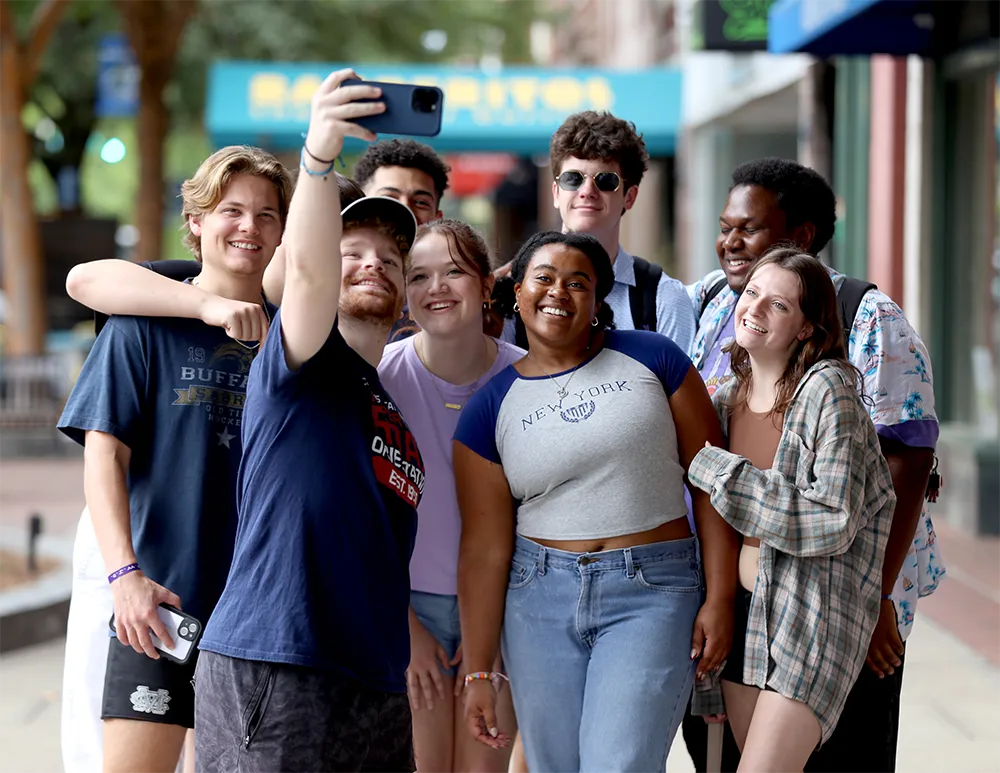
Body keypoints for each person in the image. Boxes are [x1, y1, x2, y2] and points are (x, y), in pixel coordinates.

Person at [192, 70, 425, 772]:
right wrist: (319, 159)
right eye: (352, 252)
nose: (373, 264)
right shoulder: (302, 354)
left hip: (374, 680)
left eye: (390, 258)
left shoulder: (389, 405)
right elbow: (310, 280)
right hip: (278, 659)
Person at [685, 158, 942, 773]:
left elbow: (906, 461)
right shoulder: (711, 303)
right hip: (745, 605)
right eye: (725, 227)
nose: (730, 242)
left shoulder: (866, 318)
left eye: (748, 228)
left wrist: (876, 596)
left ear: (799, 236)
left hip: (833, 599)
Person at [453, 231, 738, 773]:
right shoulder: (488, 409)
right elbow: (484, 551)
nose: (558, 292)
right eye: (544, 278)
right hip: (538, 599)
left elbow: (712, 486)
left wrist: (720, 597)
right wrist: (480, 671)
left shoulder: (654, 358)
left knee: (619, 764)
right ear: (517, 291)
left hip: (651, 592)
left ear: (597, 299)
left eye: (577, 282)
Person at [56, 144, 292, 773]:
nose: (249, 226)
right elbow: (104, 456)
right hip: (159, 608)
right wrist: (124, 576)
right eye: (231, 210)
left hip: (260, 619)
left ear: (281, 234)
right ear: (196, 220)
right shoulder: (140, 323)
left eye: (266, 215)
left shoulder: (293, 343)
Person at [688, 248, 897, 771]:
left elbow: (833, 519)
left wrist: (721, 471)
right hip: (742, 616)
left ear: (807, 328)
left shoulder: (829, 391)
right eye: (752, 293)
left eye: (778, 305)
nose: (755, 308)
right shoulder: (725, 401)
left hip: (808, 616)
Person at [378, 218, 522, 771]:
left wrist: (500, 631)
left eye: (454, 272)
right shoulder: (381, 378)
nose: (436, 287)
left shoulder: (525, 378)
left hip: (503, 609)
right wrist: (405, 628)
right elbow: (363, 520)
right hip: (408, 608)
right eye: (419, 276)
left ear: (486, 285)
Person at [504, 111, 696, 353]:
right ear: (556, 192)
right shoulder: (512, 292)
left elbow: (681, 377)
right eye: (573, 179)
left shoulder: (663, 298)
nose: (587, 191)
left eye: (605, 180)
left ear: (629, 197)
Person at [354, 138, 452, 342]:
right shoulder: (332, 282)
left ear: (437, 218)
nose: (405, 208)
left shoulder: (452, 297)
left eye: (420, 202)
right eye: (389, 197)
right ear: (360, 204)